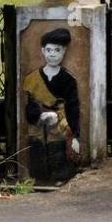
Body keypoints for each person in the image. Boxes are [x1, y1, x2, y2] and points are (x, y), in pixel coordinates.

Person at [23, 26, 82, 182]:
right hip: (37, 127)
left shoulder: (68, 80)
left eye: (57, 50)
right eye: (49, 50)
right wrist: (38, 115)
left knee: (58, 155)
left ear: (63, 52)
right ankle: (39, 179)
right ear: (43, 51)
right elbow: (29, 104)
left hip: (60, 126)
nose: (52, 55)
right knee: (37, 153)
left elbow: (73, 108)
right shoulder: (32, 79)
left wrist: (75, 136)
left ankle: (59, 177)